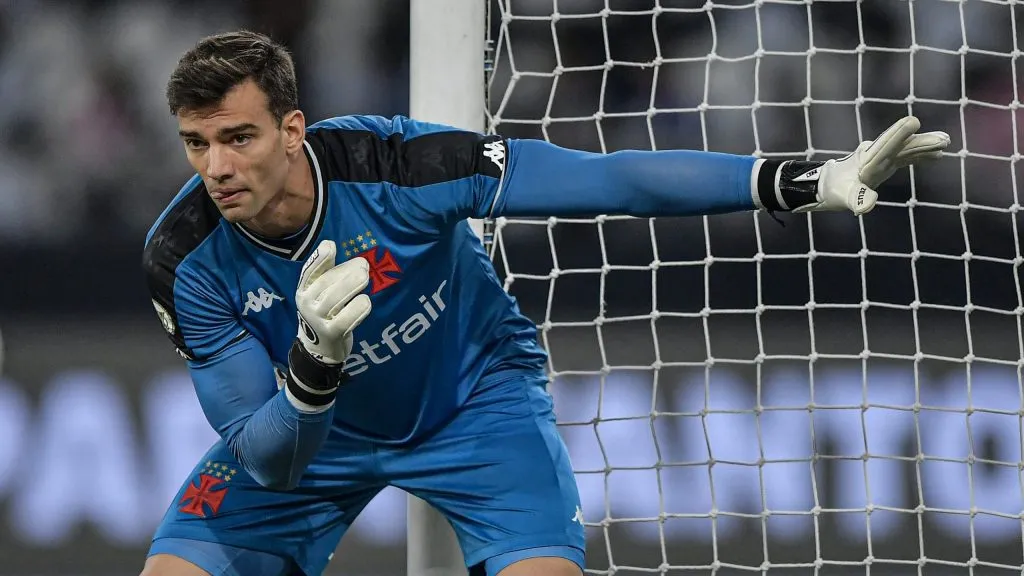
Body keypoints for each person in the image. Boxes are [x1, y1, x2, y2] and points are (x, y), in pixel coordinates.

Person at [140, 29, 949, 576]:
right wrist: (315, 366)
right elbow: (270, 459)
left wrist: (793, 181)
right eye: (197, 142)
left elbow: (609, 181)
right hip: (317, 434)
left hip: (474, 406)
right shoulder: (184, 259)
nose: (217, 167)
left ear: (291, 130)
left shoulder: (400, 165)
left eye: (237, 137)